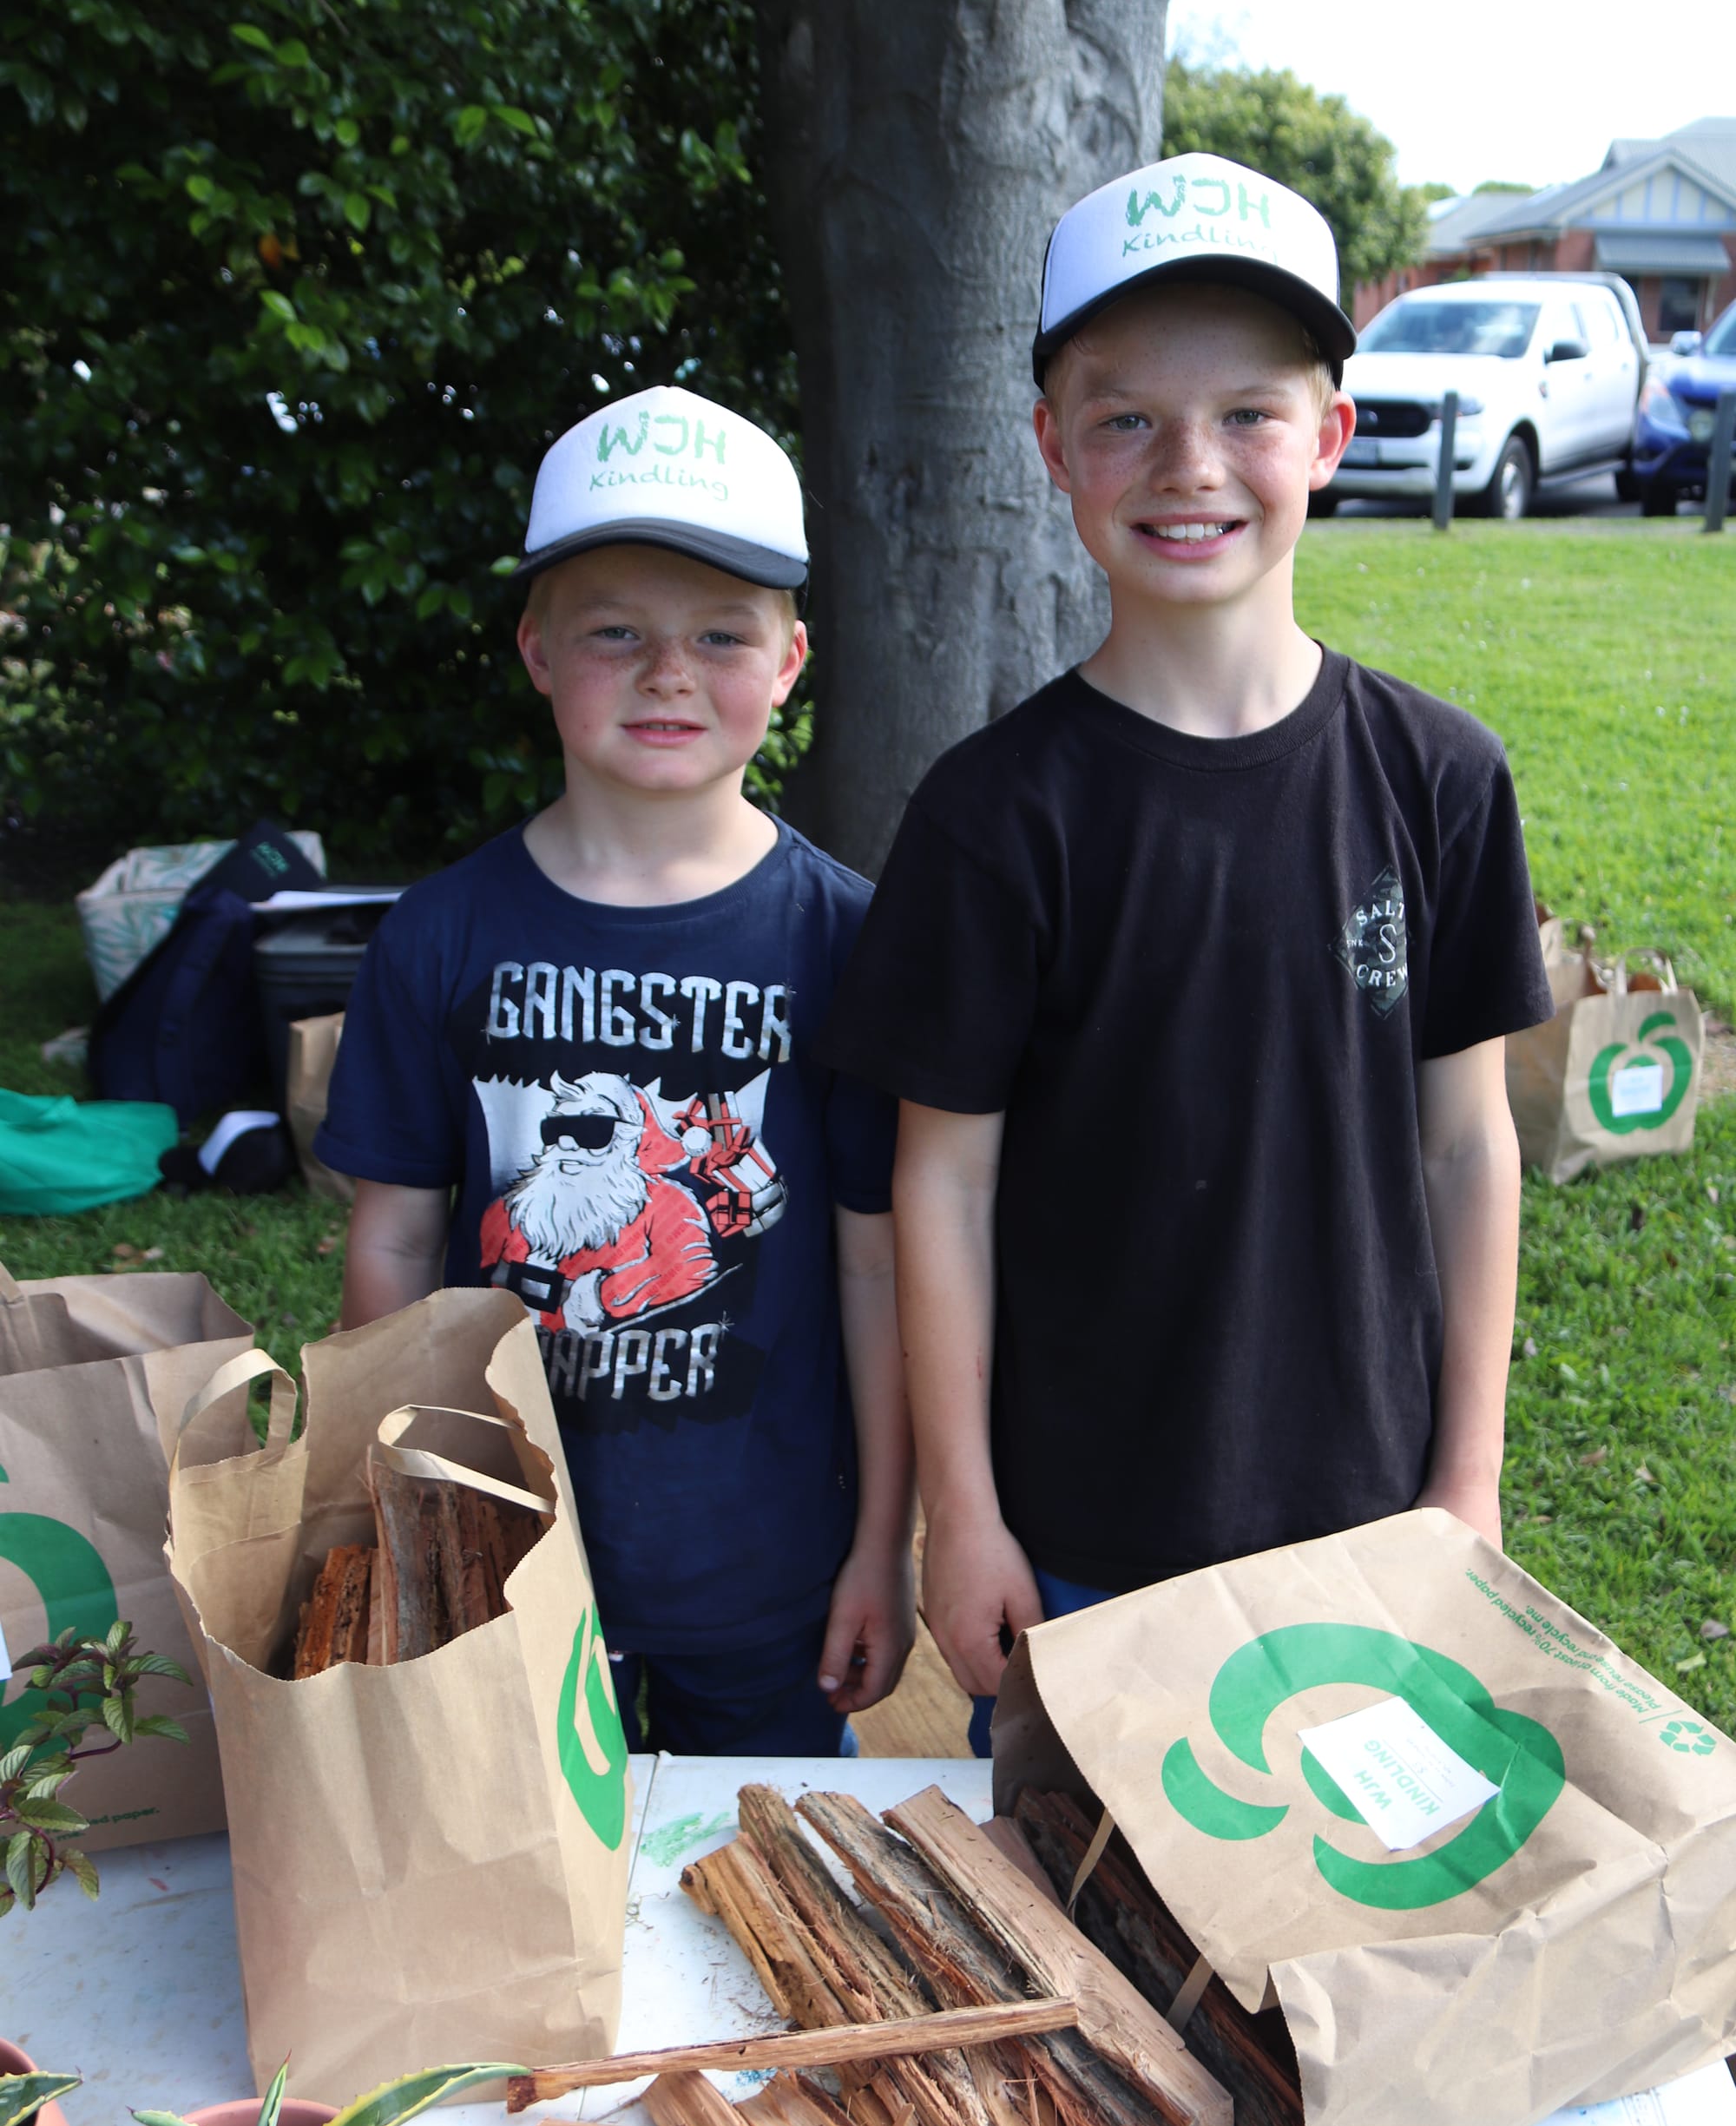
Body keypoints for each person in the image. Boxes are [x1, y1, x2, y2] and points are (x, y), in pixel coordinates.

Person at [818, 153, 1555, 1749]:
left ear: (1333, 438)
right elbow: (938, 1184)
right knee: (1088, 1969)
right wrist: (969, 1514)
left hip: (1367, 1535)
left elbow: (1467, 1150)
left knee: (1337, 1968)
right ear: (1052, 450)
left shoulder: (1439, 779)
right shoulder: (993, 816)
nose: (1188, 465)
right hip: (1084, 1552)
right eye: (1126, 415)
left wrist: (1467, 1487)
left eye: (1246, 414)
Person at [318, 385, 914, 1756]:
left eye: (720, 634)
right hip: (502, 1560)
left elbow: (879, 1263)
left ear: (792, 659)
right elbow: (396, 1240)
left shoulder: (849, 941)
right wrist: (404, 1512)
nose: (668, 672)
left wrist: (887, 1537)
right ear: (535, 648)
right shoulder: (440, 934)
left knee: (750, 1904)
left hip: (769, 1571)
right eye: (616, 633)